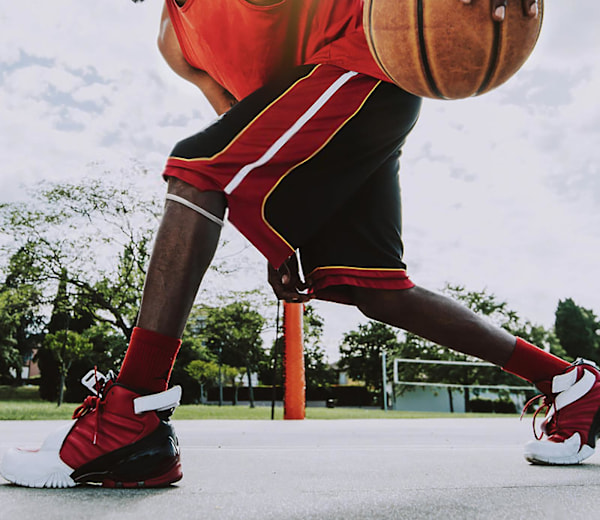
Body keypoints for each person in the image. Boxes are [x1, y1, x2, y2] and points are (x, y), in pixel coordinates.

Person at [2, 0, 598, 489]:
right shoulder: (175, 40)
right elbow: (244, 126)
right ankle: (570, 384)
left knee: (197, 170)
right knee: (376, 288)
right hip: (328, 103)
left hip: (371, 64)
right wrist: (282, 230)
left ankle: (131, 413)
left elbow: (219, 166)